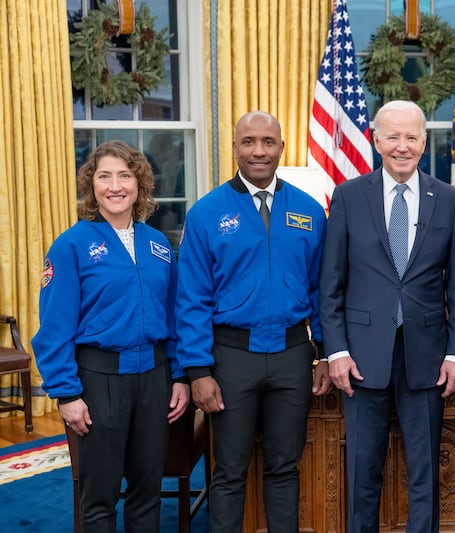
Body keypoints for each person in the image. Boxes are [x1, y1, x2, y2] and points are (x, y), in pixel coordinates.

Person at [320, 100, 455, 533]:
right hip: (362, 360)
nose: (401, 146)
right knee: (362, 471)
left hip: (428, 358)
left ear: (424, 143)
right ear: (376, 140)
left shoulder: (448, 199)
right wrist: (336, 351)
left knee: (425, 472)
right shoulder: (349, 196)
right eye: (393, 136)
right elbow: (330, 284)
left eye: (411, 137)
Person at [175, 111, 330, 533]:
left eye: (267, 141)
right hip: (231, 358)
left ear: (281, 147)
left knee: (284, 466)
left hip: (292, 356)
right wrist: (198, 371)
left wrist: (328, 355)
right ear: (235, 148)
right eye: (248, 142)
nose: (258, 151)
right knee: (228, 470)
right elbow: (190, 299)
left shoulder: (310, 210)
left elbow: (322, 290)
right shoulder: (206, 213)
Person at [32, 140, 190, 531]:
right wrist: (67, 393)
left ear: (140, 184)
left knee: (146, 490)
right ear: (92, 185)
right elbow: (53, 329)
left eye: (125, 175)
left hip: (154, 379)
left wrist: (181, 375)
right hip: (98, 380)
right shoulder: (70, 246)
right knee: (100, 495)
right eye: (104, 176)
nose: (115, 186)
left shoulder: (159, 245)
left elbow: (175, 317)